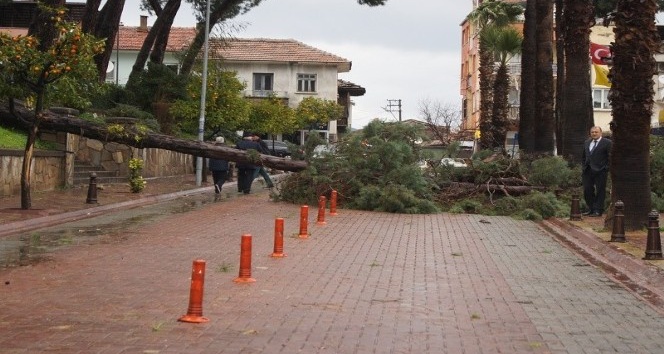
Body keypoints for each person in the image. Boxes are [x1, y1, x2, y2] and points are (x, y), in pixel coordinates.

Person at [582, 126, 612, 217]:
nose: (594, 134)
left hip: (601, 171)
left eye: (596, 132)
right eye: (592, 132)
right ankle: (591, 208)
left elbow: (610, 157)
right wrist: (583, 166)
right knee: (587, 189)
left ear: (600, 133)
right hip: (587, 170)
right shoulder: (587, 142)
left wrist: (606, 168)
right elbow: (584, 156)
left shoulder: (607, 143)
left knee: (600, 190)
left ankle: (598, 210)